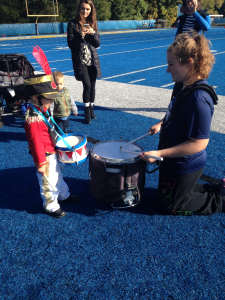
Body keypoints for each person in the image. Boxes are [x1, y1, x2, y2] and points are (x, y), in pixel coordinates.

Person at [139, 32, 225, 215]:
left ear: (189, 63)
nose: (167, 70)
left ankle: (221, 200)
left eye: (171, 64)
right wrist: (162, 123)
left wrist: (159, 153)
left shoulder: (199, 99)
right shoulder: (182, 84)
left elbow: (199, 142)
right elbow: (176, 113)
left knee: (169, 206)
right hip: (173, 158)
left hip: (185, 162)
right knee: (166, 195)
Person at [24, 74, 80, 218]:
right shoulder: (33, 118)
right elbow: (36, 143)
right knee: (48, 181)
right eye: (49, 99)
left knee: (57, 175)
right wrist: (40, 163)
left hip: (51, 149)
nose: (51, 102)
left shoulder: (41, 109)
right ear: (36, 97)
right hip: (45, 155)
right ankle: (51, 205)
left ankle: (63, 194)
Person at [67, 0, 101, 124]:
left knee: (93, 87)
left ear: (91, 10)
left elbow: (97, 44)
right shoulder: (72, 23)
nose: (85, 11)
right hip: (80, 60)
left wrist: (92, 34)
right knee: (86, 85)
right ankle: (86, 113)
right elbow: (71, 44)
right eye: (83, 8)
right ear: (79, 9)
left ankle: (92, 110)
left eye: (87, 9)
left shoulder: (93, 23)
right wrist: (80, 35)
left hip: (92, 59)